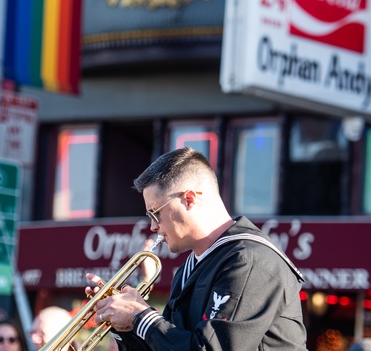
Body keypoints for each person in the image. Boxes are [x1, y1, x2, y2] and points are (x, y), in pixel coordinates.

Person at [85, 147, 308, 350]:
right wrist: (123, 324)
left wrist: (140, 316)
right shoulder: (189, 269)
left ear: (189, 199)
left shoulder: (249, 260)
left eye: (155, 213)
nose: (153, 226)